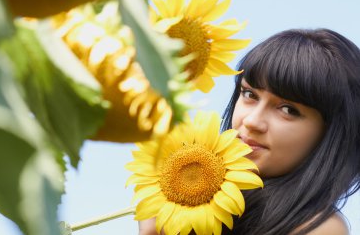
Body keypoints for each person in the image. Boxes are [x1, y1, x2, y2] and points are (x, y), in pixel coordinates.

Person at [139, 28, 360, 235]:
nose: (252, 121)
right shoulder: (207, 203)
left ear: (332, 134)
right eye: (249, 94)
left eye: (288, 109)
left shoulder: (320, 228)